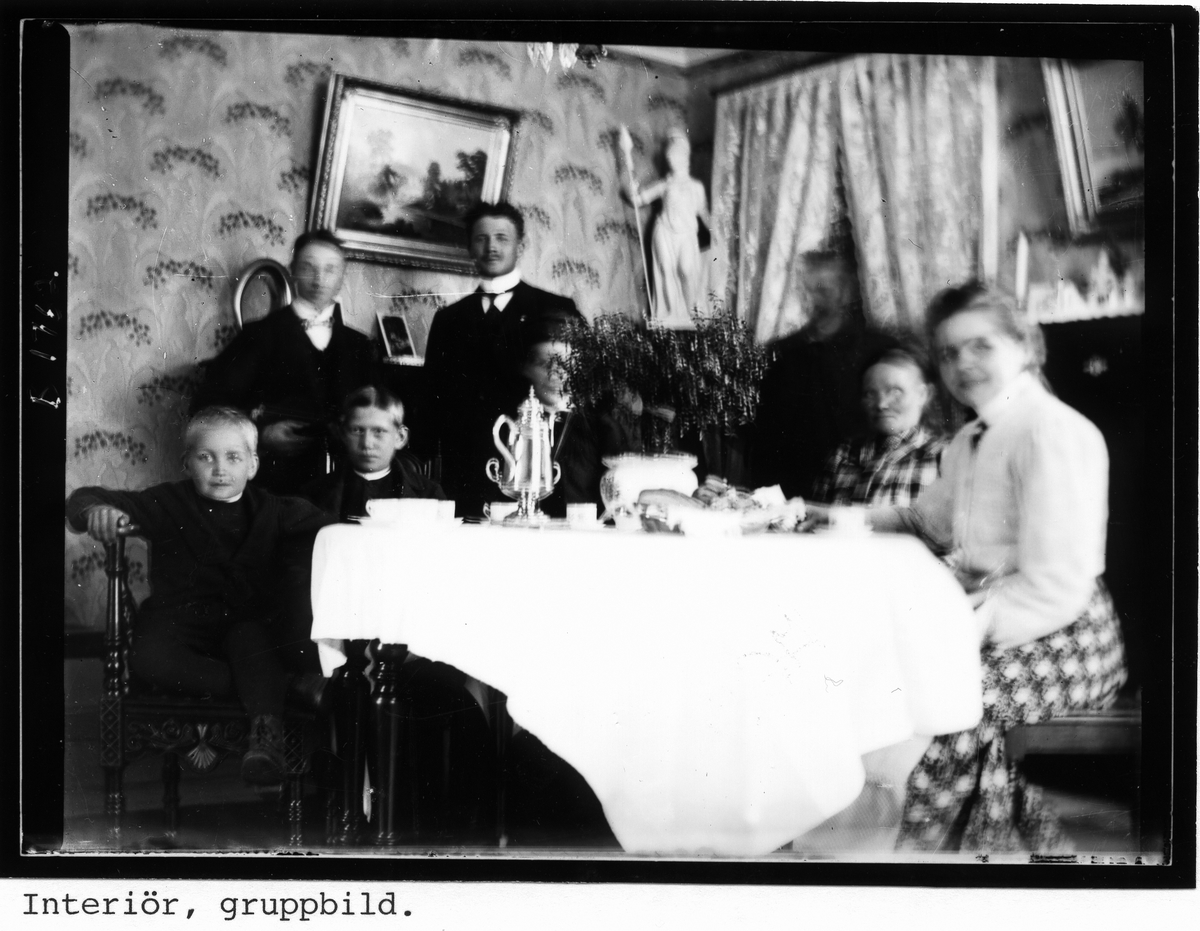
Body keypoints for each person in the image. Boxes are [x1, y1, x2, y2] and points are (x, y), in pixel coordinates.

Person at [808, 282, 1128, 853]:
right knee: (882, 683)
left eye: (981, 346)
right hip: (990, 620)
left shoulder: (1052, 431)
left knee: (939, 707)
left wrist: (953, 631)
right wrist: (820, 515)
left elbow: (1056, 589)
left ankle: (912, 865)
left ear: (1024, 346)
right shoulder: (970, 440)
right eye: (950, 352)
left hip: (1067, 634)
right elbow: (920, 521)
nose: (963, 364)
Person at [64, 407, 338, 787]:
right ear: (187, 463)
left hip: (244, 629)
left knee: (252, 640)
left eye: (233, 457)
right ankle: (281, 686)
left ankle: (265, 742)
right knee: (148, 658)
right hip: (178, 624)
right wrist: (98, 510)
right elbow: (83, 497)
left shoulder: (274, 510)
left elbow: (334, 528)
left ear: (253, 465)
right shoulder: (167, 502)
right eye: (206, 457)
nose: (220, 469)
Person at [418, 201, 583, 518]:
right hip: (466, 470)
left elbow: (578, 394)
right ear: (470, 247)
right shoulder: (449, 319)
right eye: (481, 238)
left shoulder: (556, 309)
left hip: (536, 470)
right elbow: (431, 401)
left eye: (502, 238)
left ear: (521, 246)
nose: (491, 247)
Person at [192, 230, 381, 495]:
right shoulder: (259, 335)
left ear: (342, 277)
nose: (319, 279)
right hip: (275, 482)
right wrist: (262, 435)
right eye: (308, 267)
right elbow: (208, 406)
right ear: (293, 271)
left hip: (344, 485)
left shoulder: (360, 345)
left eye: (330, 269)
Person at [751, 250, 890, 499]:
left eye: (825, 289)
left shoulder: (877, 349)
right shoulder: (782, 353)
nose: (815, 299)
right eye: (809, 289)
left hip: (859, 490)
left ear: (845, 292)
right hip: (796, 492)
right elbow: (766, 438)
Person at [810, 342, 945, 509]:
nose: (881, 404)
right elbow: (816, 519)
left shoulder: (943, 457)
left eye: (895, 391)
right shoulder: (843, 455)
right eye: (870, 394)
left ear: (923, 394)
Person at [302, 384, 445, 520]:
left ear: (400, 437)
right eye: (357, 430)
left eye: (379, 431)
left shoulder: (429, 494)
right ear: (343, 434)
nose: (367, 443)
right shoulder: (313, 494)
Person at [516, 319, 603, 519]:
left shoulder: (600, 427)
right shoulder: (512, 424)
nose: (556, 374)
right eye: (544, 364)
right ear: (526, 368)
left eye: (566, 363)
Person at [626, 129, 711, 326]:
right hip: (664, 230)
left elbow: (704, 213)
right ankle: (670, 313)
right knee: (665, 269)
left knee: (686, 270)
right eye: (670, 158)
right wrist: (631, 191)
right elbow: (639, 200)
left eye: (677, 157)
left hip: (686, 234)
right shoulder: (664, 184)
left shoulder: (696, 186)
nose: (673, 161)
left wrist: (718, 235)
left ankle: (692, 314)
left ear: (685, 158)